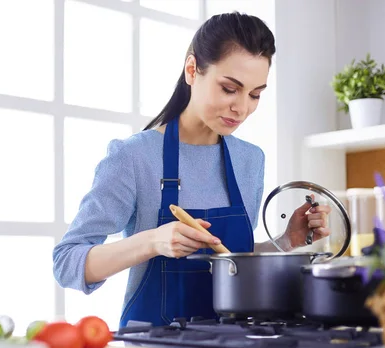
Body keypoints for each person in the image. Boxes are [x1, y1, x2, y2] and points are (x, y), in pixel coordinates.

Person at [52, 12, 330, 328]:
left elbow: (230, 259)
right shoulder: (134, 156)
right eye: (229, 88)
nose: (242, 108)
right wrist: (152, 242)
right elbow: (67, 263)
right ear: (192, 70)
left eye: (255, 94)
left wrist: (286, 240)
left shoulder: (250, 160)